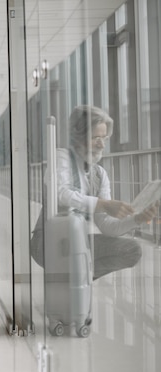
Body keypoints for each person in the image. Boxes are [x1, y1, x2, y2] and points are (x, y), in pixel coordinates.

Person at [30, 105, 159, 279]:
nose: (101, 144)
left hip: (77, 240)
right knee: (77, 249)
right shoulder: (61, 157)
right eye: (95, 137)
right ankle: (75, 279)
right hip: (48, 241)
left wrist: (137, 219)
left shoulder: (99, 174)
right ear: (78, 138)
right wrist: (103, 204)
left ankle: (79, 280)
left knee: (132, 250)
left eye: (104, 138)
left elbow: (108, 226)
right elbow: (61, 193)